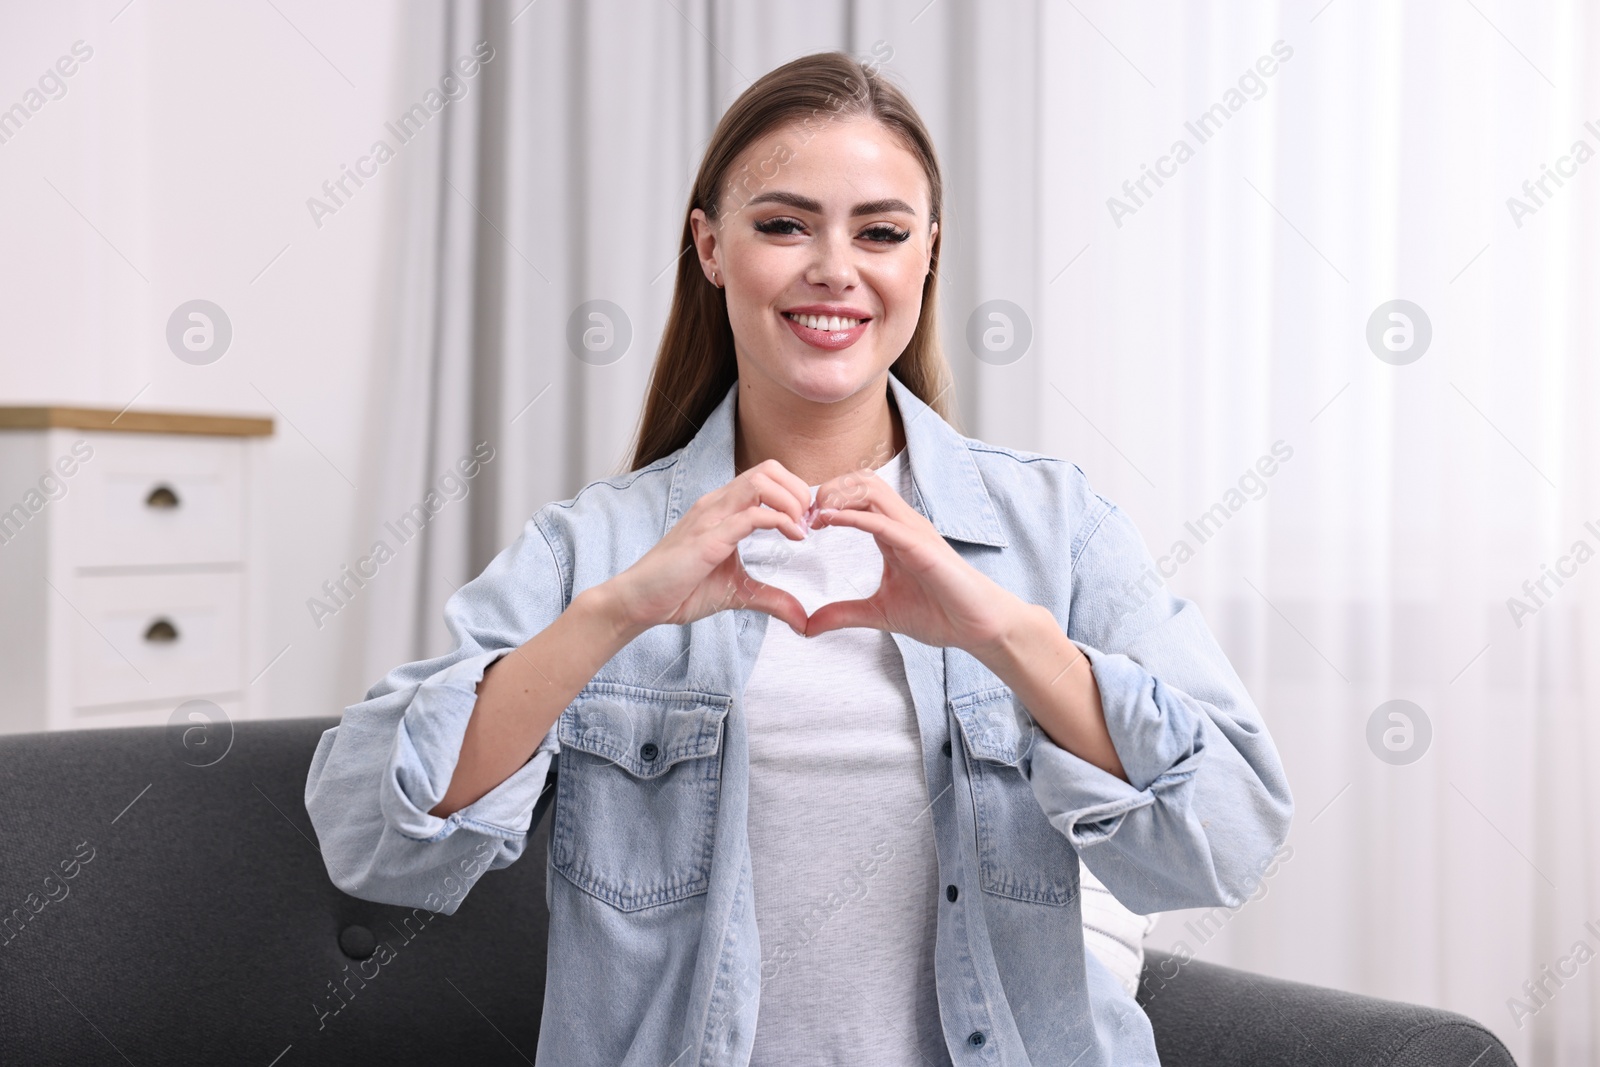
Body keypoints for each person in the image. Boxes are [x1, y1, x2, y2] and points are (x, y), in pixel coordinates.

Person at [304, 49, 1293, 1067]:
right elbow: (373, 834)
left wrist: (1004, 632)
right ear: (710, 247)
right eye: (783, 223)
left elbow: (1228, 833)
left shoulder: (1056, 526)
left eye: (881, 232)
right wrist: (616, 612)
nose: (834, 267)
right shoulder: (590, 547)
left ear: (927, 258)